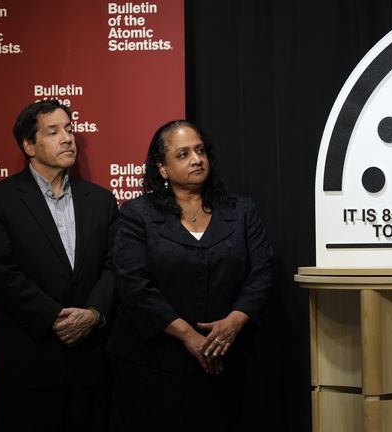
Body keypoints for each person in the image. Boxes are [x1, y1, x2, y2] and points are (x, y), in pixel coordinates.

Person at [107, 120, 273, 431]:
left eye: (199, 151)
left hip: (227, 362)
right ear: (163, 169)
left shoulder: (242, 210)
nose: (196, 159)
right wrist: (189, 336)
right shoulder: (137, 215)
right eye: (183, 154)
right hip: (154, 367)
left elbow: (261, 272)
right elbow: (133, 285)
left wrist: (235, 321)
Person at [0, 100, 118, 431]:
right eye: (53, 132)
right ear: (29, 145)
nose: (68, 138)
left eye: (69, 129)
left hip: (91, 368)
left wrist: (93, 314)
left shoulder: (101, 200)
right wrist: (55, 317)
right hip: (28, 366)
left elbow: (115, 267)